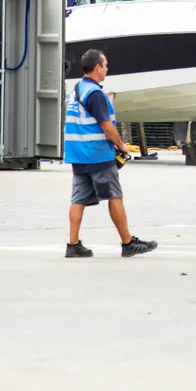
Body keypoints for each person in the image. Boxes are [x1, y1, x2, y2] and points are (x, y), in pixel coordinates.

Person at [64, 49, 155, 259]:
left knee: (78, 199)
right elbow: (106, 125)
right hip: (97, 154)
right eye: (105, 65)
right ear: (97, 68)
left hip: (78, 155)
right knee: (115, 195)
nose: (107, 69)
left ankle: (73, 244)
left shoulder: (76, 90)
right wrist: (121, 145)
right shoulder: (94, 94)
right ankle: (128, 242)